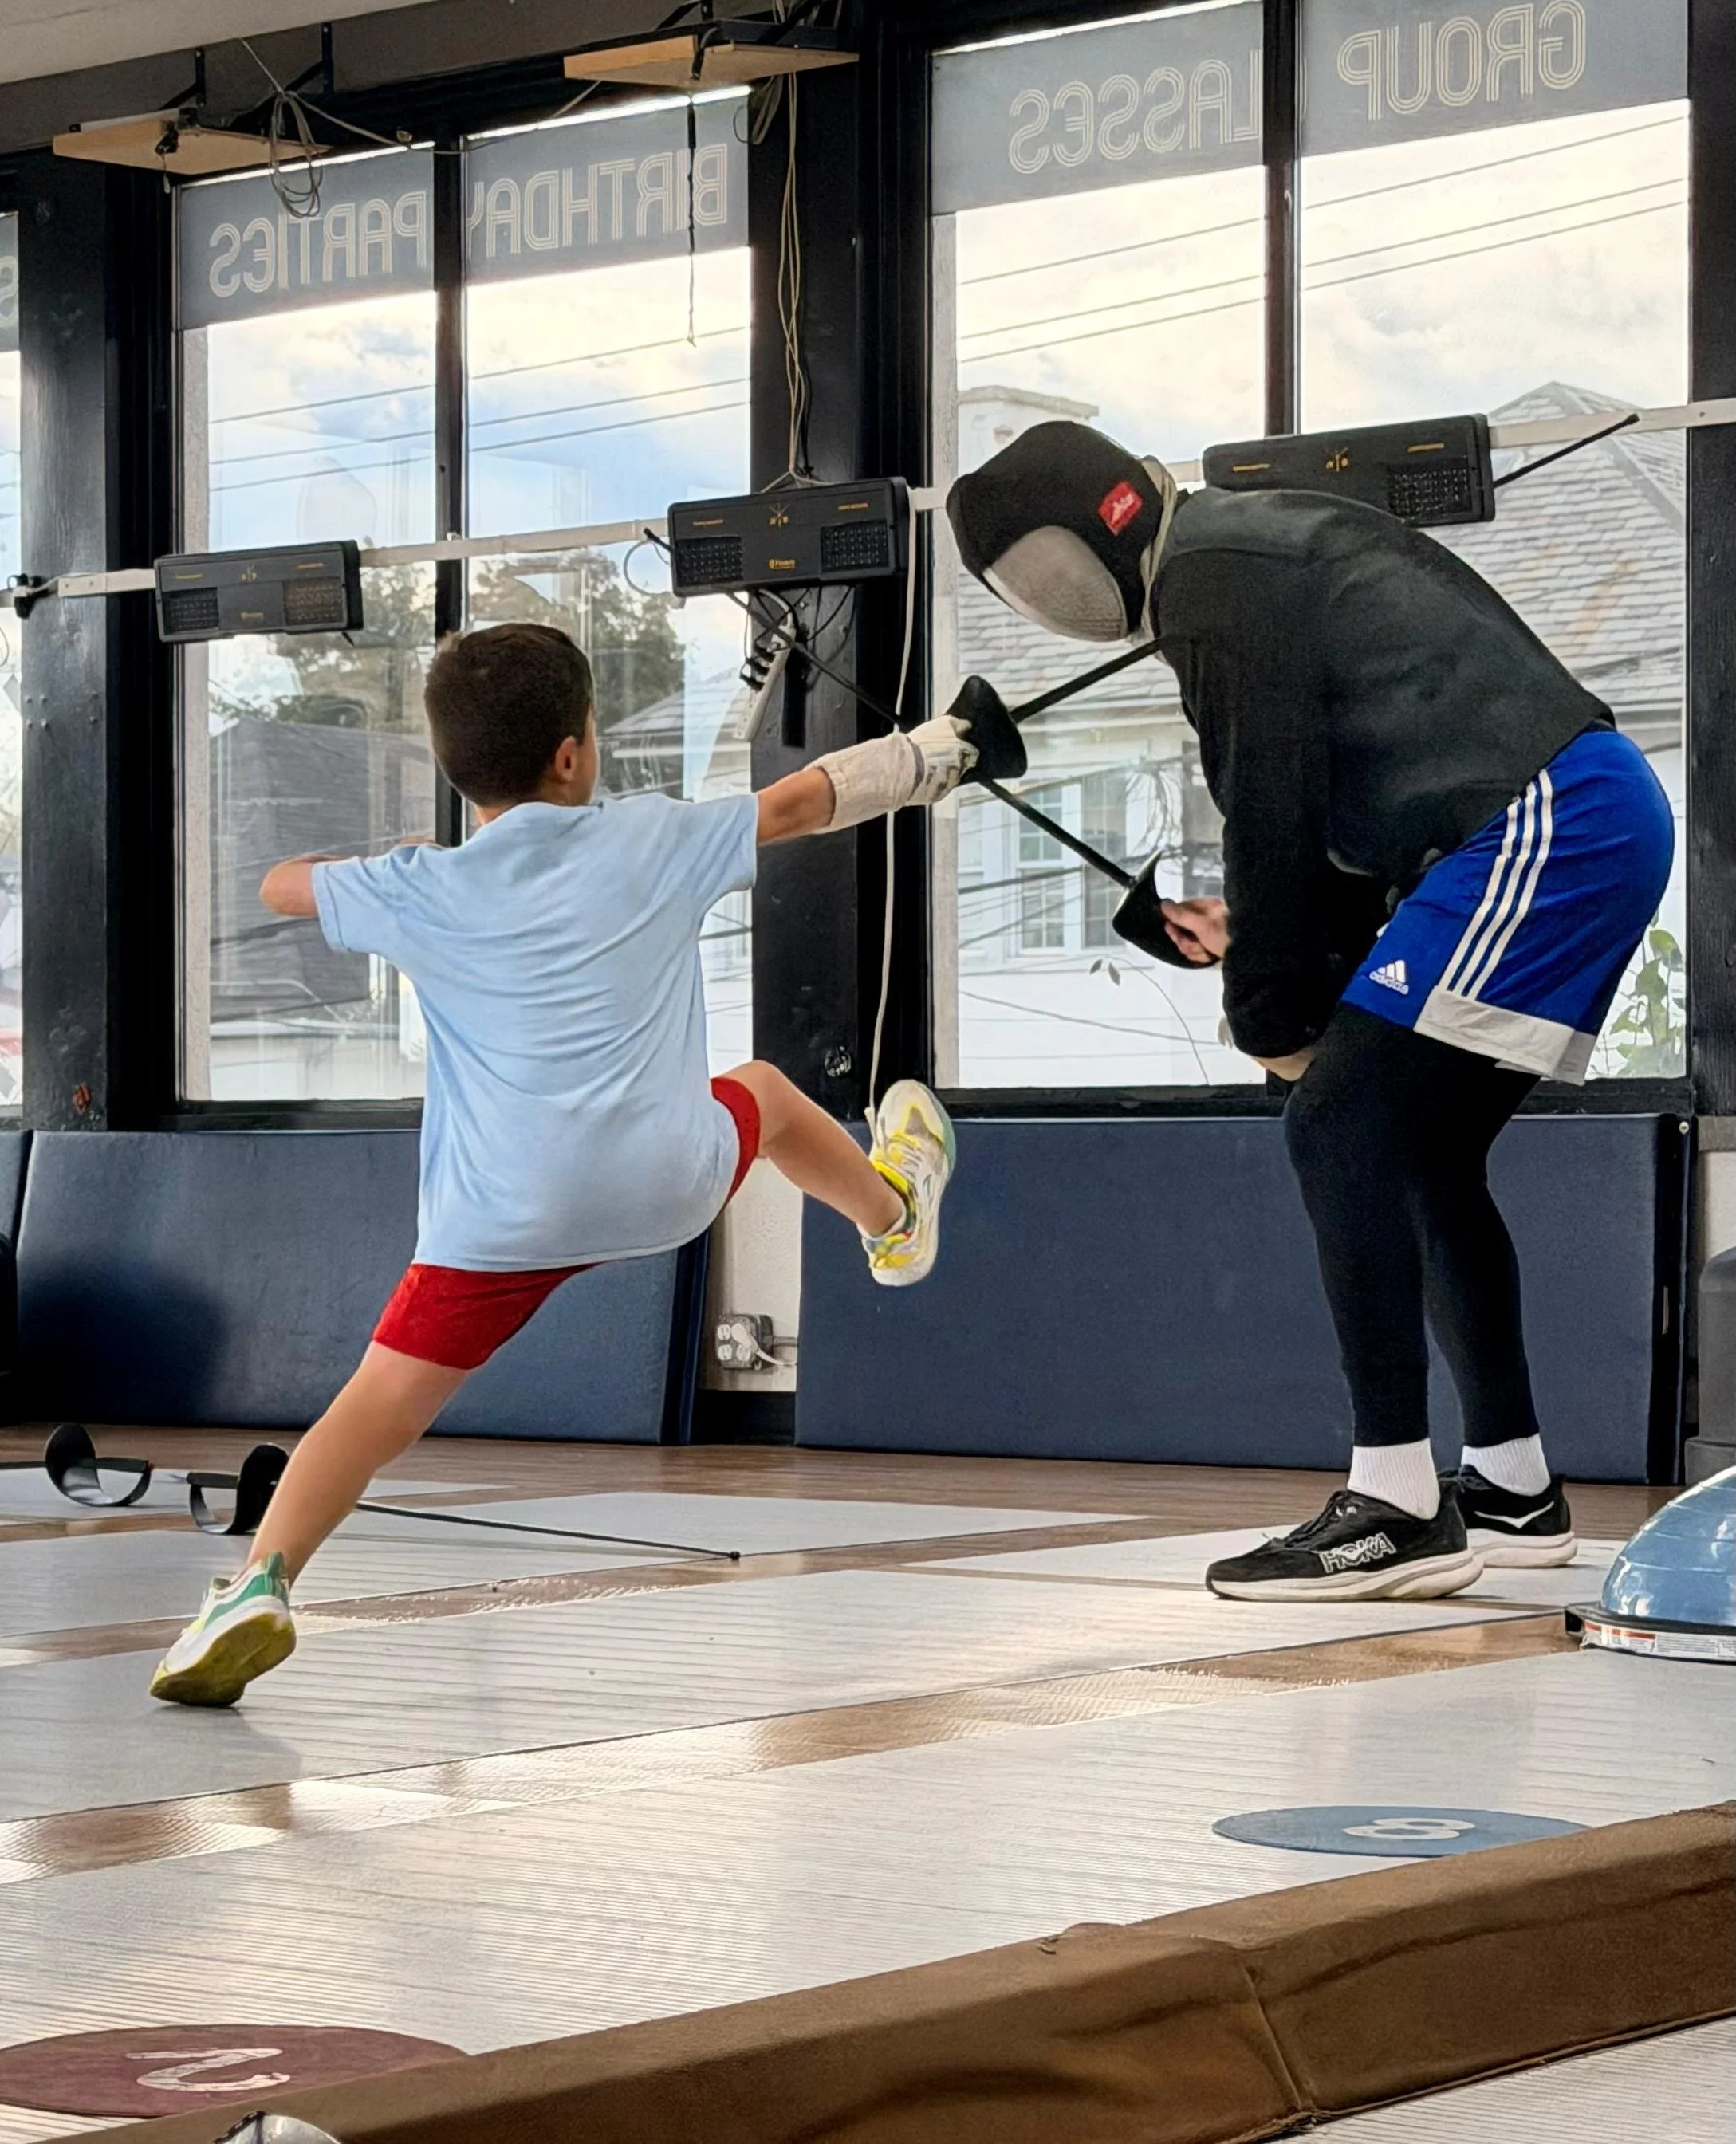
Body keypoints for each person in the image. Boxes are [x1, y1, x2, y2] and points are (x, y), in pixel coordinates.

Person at [152, 622, 974, 1705]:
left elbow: (276, 885)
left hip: (500, 1220)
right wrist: (934, 753)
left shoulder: (419, 885)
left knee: (374, 1411)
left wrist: (387, 867)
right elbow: (806, 799)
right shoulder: (652, 838)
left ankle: (260, 1581)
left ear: (460, 768)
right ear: (576, 754)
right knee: (768, 1094)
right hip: (663, 1182)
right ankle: (891, 1218)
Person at [947, 419, 1675, 1602]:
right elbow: (1329, 811)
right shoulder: (1234, 553)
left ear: (1095, 526)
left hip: (1547, 820)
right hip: (1558, 815)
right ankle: (1513, 1486)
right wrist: (1278, 953)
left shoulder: (1211, 574)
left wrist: (1275, 1015)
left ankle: (1394, 1499)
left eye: (1034, 570)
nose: (1044, 601)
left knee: (1334, 1125)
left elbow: (1267, 808)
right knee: (1422, 1156)